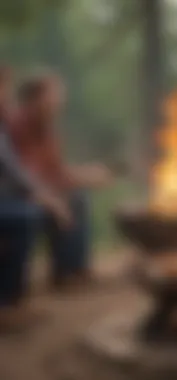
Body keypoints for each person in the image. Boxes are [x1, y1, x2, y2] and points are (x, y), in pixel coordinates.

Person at [9, 72, 112, 292]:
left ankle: (71, 270)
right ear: (33, 100)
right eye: (53, 96)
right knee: (66, 199)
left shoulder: (47, 129)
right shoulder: (17, 127)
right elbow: (26, 176)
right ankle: (60, 276)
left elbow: (55, 170)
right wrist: (58, 193)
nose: (59, 101)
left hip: (39, 189)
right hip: (19, 194)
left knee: (78, 197)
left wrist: (85, 175)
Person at [0, 66, 70, 331]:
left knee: (62, 200)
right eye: (3, 87)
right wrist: (44, 196)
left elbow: (15, 169)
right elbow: (16, 171)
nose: (6, 95)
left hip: (11, 193)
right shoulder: (14, 123)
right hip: (11, 195)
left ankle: (69, 272)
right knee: (26, 215)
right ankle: (7, 303)